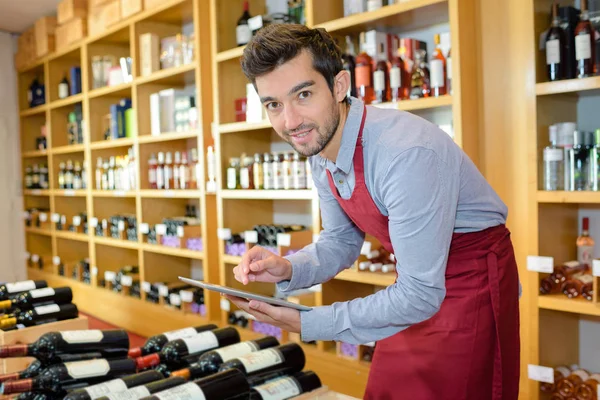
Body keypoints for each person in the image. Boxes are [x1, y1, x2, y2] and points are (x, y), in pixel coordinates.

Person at [229, 24, 520, 400]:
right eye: (273, 104)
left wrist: (311, 322)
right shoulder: (319, 147)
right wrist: (290, 267)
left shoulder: (405, 152)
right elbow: (341, 240)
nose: (289, 121)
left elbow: (420, 294)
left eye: (303, 94)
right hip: (414, 285)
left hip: (470, 286)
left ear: (339, 85)